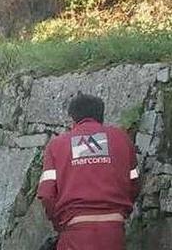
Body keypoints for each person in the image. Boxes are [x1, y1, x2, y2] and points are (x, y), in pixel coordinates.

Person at [37, 93, 140, 250]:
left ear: (73, 119)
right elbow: (134, 183)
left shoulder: (57, 145)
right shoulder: (122, 139)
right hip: (113, 231)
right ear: (101, 115)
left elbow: (47, 195)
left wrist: (60, 225)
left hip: (75, 231)